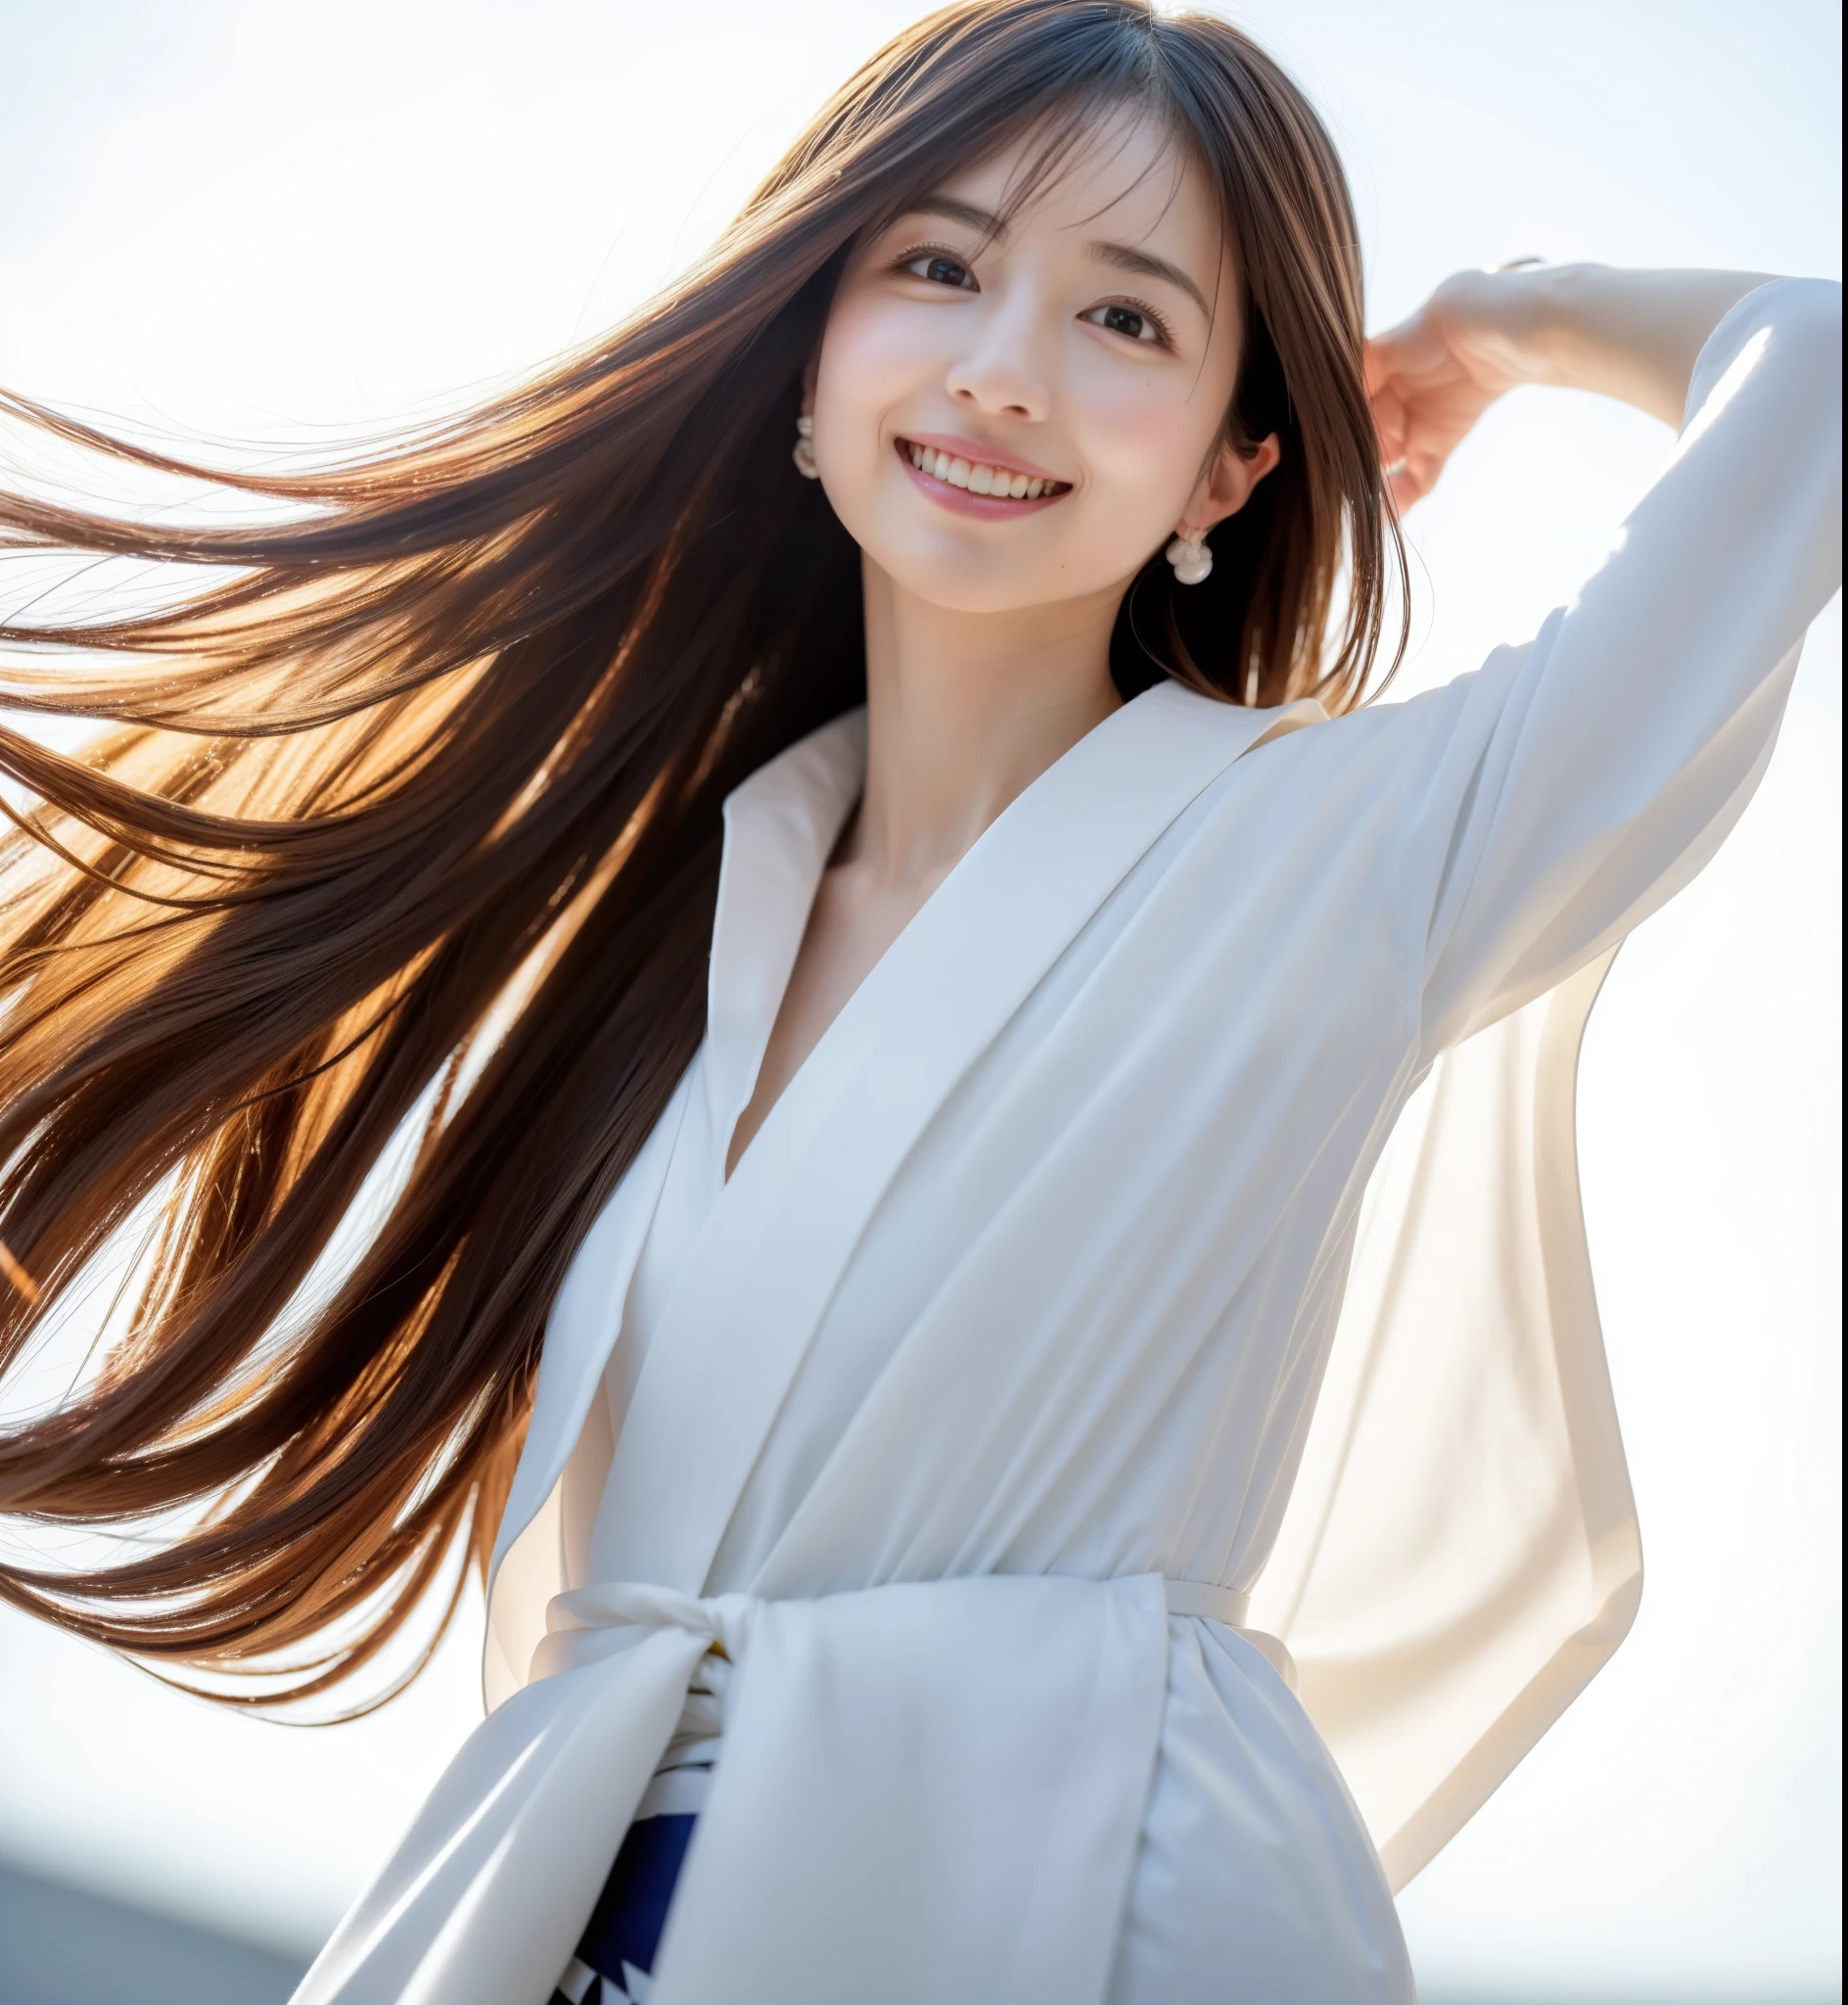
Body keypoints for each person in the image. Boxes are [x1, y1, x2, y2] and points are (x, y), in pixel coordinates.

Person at [0, 3, 1836, 2000]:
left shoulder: (1364, 849)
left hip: (1067, 1898)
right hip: (581, 1906)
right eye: (939, 269)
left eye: (1123, 321)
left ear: (1235, 460)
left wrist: (1500, 321)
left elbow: (1810, 377)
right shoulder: (679, 920)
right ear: (807, 367)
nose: (999, 373)